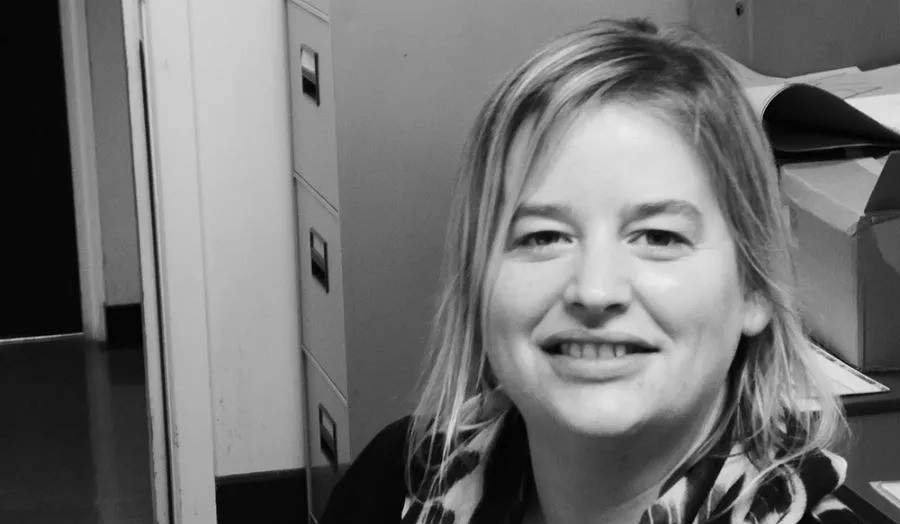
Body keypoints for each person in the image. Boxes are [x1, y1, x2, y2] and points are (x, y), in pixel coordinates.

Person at [321, 18, 858, 524]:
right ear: (478, 282)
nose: (595, 290)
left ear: (755, 287)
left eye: (659, 237)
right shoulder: (396, 483)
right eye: (543, 237)